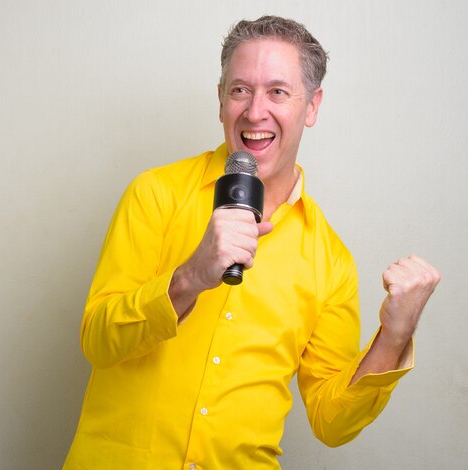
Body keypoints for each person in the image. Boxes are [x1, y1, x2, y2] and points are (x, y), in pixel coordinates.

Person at [63, 15, 441, 469]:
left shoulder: (331, 262)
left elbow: (332, 421)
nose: (255, 111)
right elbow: (98, 341)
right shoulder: (155, 194)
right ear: (221, 100)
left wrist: (395, 336)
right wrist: (188, 278)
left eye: (278, 92)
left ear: (312, 106)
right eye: (240, 89)